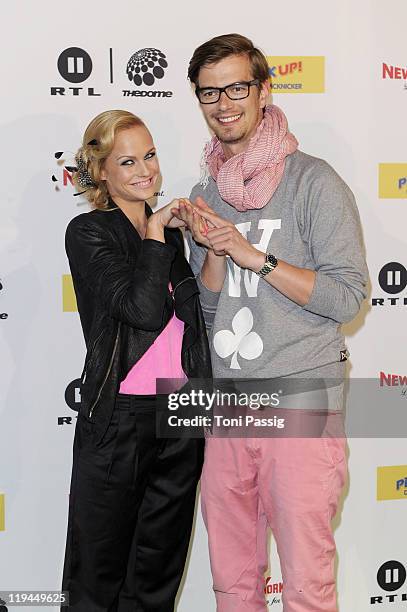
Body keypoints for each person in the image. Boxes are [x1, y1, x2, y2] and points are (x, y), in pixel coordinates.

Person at [175, 34, 368, 611]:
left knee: (307, 583)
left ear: (263, 90)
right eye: (209, 92)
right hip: (229, 404)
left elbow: (347, 297)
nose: (222, 103)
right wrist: (212, 250)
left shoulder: (314, 181)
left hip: (301, 397)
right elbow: (208, 317)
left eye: (236, 87)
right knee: (232, 580)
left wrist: (252, 254)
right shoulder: (205, 191)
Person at [61, 110, 211, 612]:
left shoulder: (168, 235)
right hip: (121, 416)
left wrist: (206, 245)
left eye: (150, 155)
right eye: (128, 161)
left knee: (157, 573)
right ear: (102, 172)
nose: (146, 170)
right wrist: (153, 234)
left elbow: (193, 319)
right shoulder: (89, 232)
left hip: (181, 415)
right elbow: (143, 312)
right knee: (97, 575)